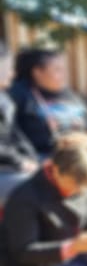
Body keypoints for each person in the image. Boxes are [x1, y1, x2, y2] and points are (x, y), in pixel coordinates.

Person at [10, 48, 87, 157]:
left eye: (64, 69)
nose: (64, 75)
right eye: (57, 70)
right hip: (39, 159)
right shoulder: (18, 96)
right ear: (37, 72)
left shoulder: (72, 97)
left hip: (80, 156)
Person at [0, 42, 39, 200]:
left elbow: (16, 137)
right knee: (32, 186)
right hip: (6, 169)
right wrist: (19, 163)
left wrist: (31, 159)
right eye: (7, 68)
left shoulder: (5, 100)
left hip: (9, 166)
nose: (12, 74)